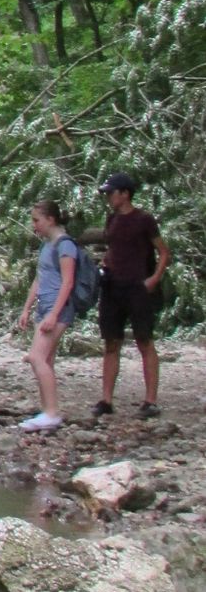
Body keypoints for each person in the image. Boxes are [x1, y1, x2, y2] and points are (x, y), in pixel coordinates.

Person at [95, 171, 172, 419]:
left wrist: (154, 279)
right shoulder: (111, 219)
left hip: (137, 288)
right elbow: (113, 249)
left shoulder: (144, 220)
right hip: (112, 287)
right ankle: (106, 400)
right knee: (111, 342)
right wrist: (105, 264)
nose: (108, 197)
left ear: (125, 193)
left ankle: (150, 401)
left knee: (144, 341)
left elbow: (163, 251)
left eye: (111, 192)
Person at [18, 200, 79, 432]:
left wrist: (54, 314)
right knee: (46, 360)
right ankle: (47, 410)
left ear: (51, 219)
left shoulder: (65, 246)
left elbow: (68, 281)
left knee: (36, 357)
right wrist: (27, 308)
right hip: (44, 307)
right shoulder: (47, 245)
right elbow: (39, 278)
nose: (34, 225)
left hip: (57, 308)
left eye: (37, 220)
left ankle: (52, 413)